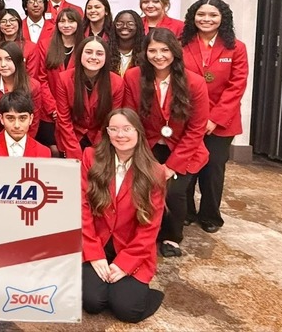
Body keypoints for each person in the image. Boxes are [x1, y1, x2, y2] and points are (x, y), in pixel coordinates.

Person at [123, 28, 209, 257]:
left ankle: (171, 236)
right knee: (139, 186)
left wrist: (171, 167)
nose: (158, 56)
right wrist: (139, 155)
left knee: (173, 192)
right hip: (146, 144)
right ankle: (141, 233)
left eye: (164, 50)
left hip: (183, 147)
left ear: (174, 52)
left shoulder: (195, 82)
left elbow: (196, 129)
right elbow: (130, 119)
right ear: (145, 52)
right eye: (152, 50)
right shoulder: (133, 77)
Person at [81, 108, 166, 323]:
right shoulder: (90, 157)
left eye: (127, 129)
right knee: (93, 303)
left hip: (131, 248)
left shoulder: (155, 171)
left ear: (138, 132)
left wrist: (124, 264)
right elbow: (82, 209)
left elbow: (150, 228)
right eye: (114, 129)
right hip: (97, 243)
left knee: (127, 310)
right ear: (107, 133)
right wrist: (94, 253)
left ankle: (144, 294)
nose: (120, 135)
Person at [181, 0, 249, 233]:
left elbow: (236, 86)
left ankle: (210, 216)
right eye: (201, 14)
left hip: (221, 123)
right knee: (186, 165)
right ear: (193, 17)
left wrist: (214, 119)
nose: (206, 19)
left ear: (223, 18)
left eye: (213, 15)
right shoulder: (182, 44)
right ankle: (186, 212)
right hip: (188, 118)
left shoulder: (236, 47)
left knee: (213, 168)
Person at [53, 37, 124, 160]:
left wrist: (96, 150)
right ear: (80, 54)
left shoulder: (117, 82)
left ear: (106, 57)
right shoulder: (64, 79)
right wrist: (75, 154)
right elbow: (64, 120)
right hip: (70, 137)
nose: (93, 57)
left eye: (99, 53)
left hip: (101, 138)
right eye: (88, 52)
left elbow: (110, 120)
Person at [36, 8, 84, 153]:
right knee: (53, 151)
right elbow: (41, 79)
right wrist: (53, 108)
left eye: (71, 21)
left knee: (73, 149)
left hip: (76, 110)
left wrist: (67, 108)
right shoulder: (45, 45)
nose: (66, 25)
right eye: (62, 21)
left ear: (78, 24)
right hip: (49, 112)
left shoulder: (85, 46)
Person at [0, 41, 42, 139]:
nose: (3, 64)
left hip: (24, 140)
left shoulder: (33, 86)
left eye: (8, 59)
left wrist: (21, 144)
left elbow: (33, 123)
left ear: (17, 60)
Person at [0, 92, 51, 157]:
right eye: (10, 118)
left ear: (31, 119)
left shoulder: (43, 152)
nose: (17, 125)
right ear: (1, 119)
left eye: (22, 118)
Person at [0, 8, 39, 78]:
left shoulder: (30, 47)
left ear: (19, 23)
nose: (8, 24)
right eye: (3, 21)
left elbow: (31, 76)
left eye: (12, 20)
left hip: (23, 84)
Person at [110, 10, 144, 77]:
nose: (125, 26)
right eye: (120, 24)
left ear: (137, 26)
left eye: (130, 24)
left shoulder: (144, 52)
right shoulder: (106, 51)